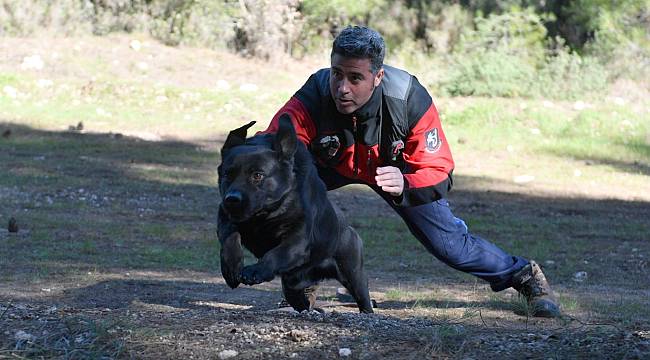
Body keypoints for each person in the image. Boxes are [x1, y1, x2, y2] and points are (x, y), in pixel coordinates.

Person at [261, 25, 560, 318]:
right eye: (337, 74)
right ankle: (301, 285)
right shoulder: (315, 93)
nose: (342, 88)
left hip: (397, 172)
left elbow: (439, 169)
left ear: (378, 77)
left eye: (355, 78)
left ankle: (524, 275)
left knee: (450, 245)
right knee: (285, 198)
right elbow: (275, 147)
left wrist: (405, 183)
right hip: (332, 165)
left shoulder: (408, 98)